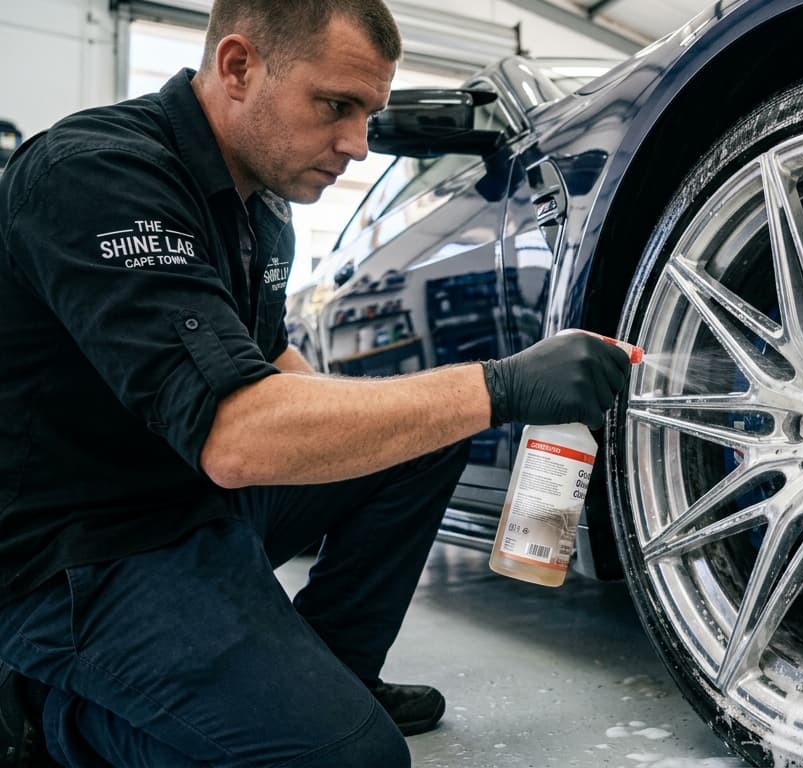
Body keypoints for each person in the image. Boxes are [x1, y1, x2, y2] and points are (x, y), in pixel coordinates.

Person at [0, 0, 630, 765]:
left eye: (369, 114)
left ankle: (339, 668)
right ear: (238, 67)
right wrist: (500, 386)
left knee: (424, 437)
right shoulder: (95, 175)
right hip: (78, 552)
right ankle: (40, 708)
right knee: (351, 760)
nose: (358, 145)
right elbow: (236, 435)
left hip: (194, 501)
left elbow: (275, 365)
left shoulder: (262, 206)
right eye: (336, 105)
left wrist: (448, 407)